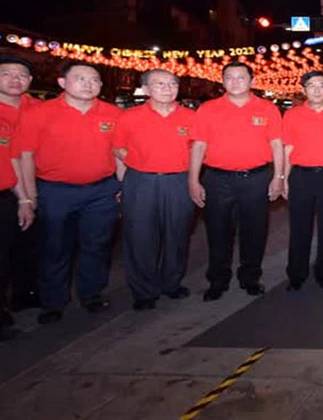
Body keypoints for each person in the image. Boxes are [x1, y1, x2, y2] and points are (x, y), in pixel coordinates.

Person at [16, 62, 122, 324]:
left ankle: (92, 294)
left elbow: (119, 152)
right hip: (55, 190)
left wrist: (123, 186)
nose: (89, 84)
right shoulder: (40, 113)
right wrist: (30, 196)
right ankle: (53, 301)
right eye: (80, 79)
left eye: (94, 80)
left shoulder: (112, 113)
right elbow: (25, 156)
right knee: (54, 247)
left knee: (96, 246)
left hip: (102, 190)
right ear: (63, 83)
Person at [189, 62, 284, 301]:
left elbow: (277, 145)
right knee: (218, 232)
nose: (235, 82)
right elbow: (199, 145)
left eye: (241, 77)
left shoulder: (267, 108)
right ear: (222, 82)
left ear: (251, 81)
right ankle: (218, 280)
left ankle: (250, 277)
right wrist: (193, 180)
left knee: (254, 232)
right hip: (217, 179)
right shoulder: (208, 109)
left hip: (256, 178)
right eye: (229, 78)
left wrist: (279, 177)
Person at [112, 69, 196, 311]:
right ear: (146, 89)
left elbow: (199, 149)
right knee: (139, 236)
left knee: (178, 234)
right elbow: (118, 147)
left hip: (179, 181)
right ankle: (143, 290)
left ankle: (172, 283)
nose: (167, 88)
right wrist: (137, 166)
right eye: (160, 84)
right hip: (141, 182)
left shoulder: (190, 117)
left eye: (172, 84)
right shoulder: (130, 117)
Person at [282, 71, 323, 291]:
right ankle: (296, 275)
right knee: (299, 228)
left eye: (321, 85)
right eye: (311, 86)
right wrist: (284, 178)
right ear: (303, 90)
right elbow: (288, 147)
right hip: (300, 176)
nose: (317, 90)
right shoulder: (292, 115)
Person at [0, 55, 40, 338]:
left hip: (36, 186)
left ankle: (25, 293)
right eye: (7, 73)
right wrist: (24, 197)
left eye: (22, 74)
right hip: (8, 188)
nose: (15, 79)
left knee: (28, 244)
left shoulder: (37, 109)